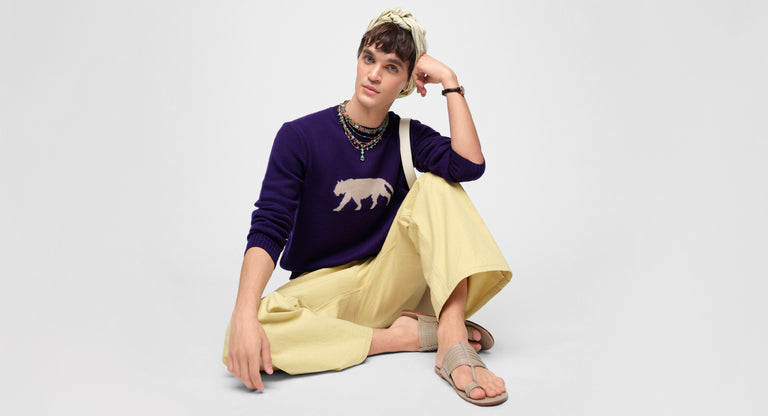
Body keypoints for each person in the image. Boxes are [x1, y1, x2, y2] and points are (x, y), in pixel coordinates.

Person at [222, 9, 512, 406]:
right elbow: (270, 225)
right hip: (328, 287)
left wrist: (450, 81)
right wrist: (243, 312)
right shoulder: (299, 136)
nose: (374, 74)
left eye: (391, 67)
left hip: (391, 279)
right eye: (368, 59)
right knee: (244, 335)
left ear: (407, 82)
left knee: (439, 185)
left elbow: (468, 165)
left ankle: (450, 335)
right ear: (358, 60)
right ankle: (403, 336)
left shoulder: (408, 137)